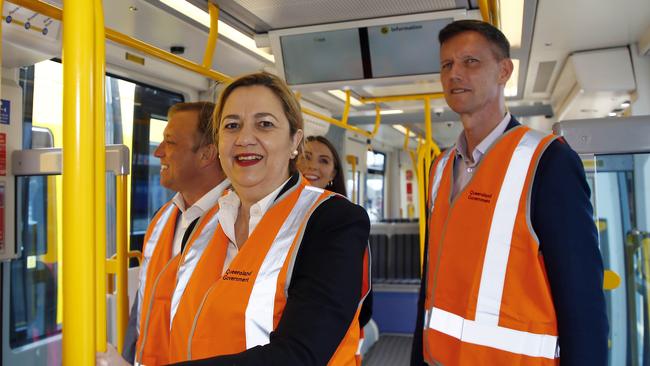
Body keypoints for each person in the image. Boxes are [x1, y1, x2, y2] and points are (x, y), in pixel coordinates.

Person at [411, 20, 608, 365]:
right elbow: (432, 280)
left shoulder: (548, 161)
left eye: (470, 62)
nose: (454, 73)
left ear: (504, 71)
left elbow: (582, 300)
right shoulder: (440, 168)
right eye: (447, 65)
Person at [169, 72, 370, 366]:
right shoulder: (201, 224)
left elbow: (299, 354)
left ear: (294, 142)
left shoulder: (333, 221)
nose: (245, 138)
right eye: (232, 125)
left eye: (265, 124)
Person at [97, 101, 229, 365]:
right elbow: (143, 309)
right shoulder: (163, 218)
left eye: (170, 142)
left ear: (207, 154)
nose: (158, 152)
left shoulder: (240, 221)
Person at [298, 135, 373, 362]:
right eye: (306, 156)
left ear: (333, 174)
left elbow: (364, 300)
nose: (312, 166)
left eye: (324, 161)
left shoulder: (345, 221)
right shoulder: (270, 217)